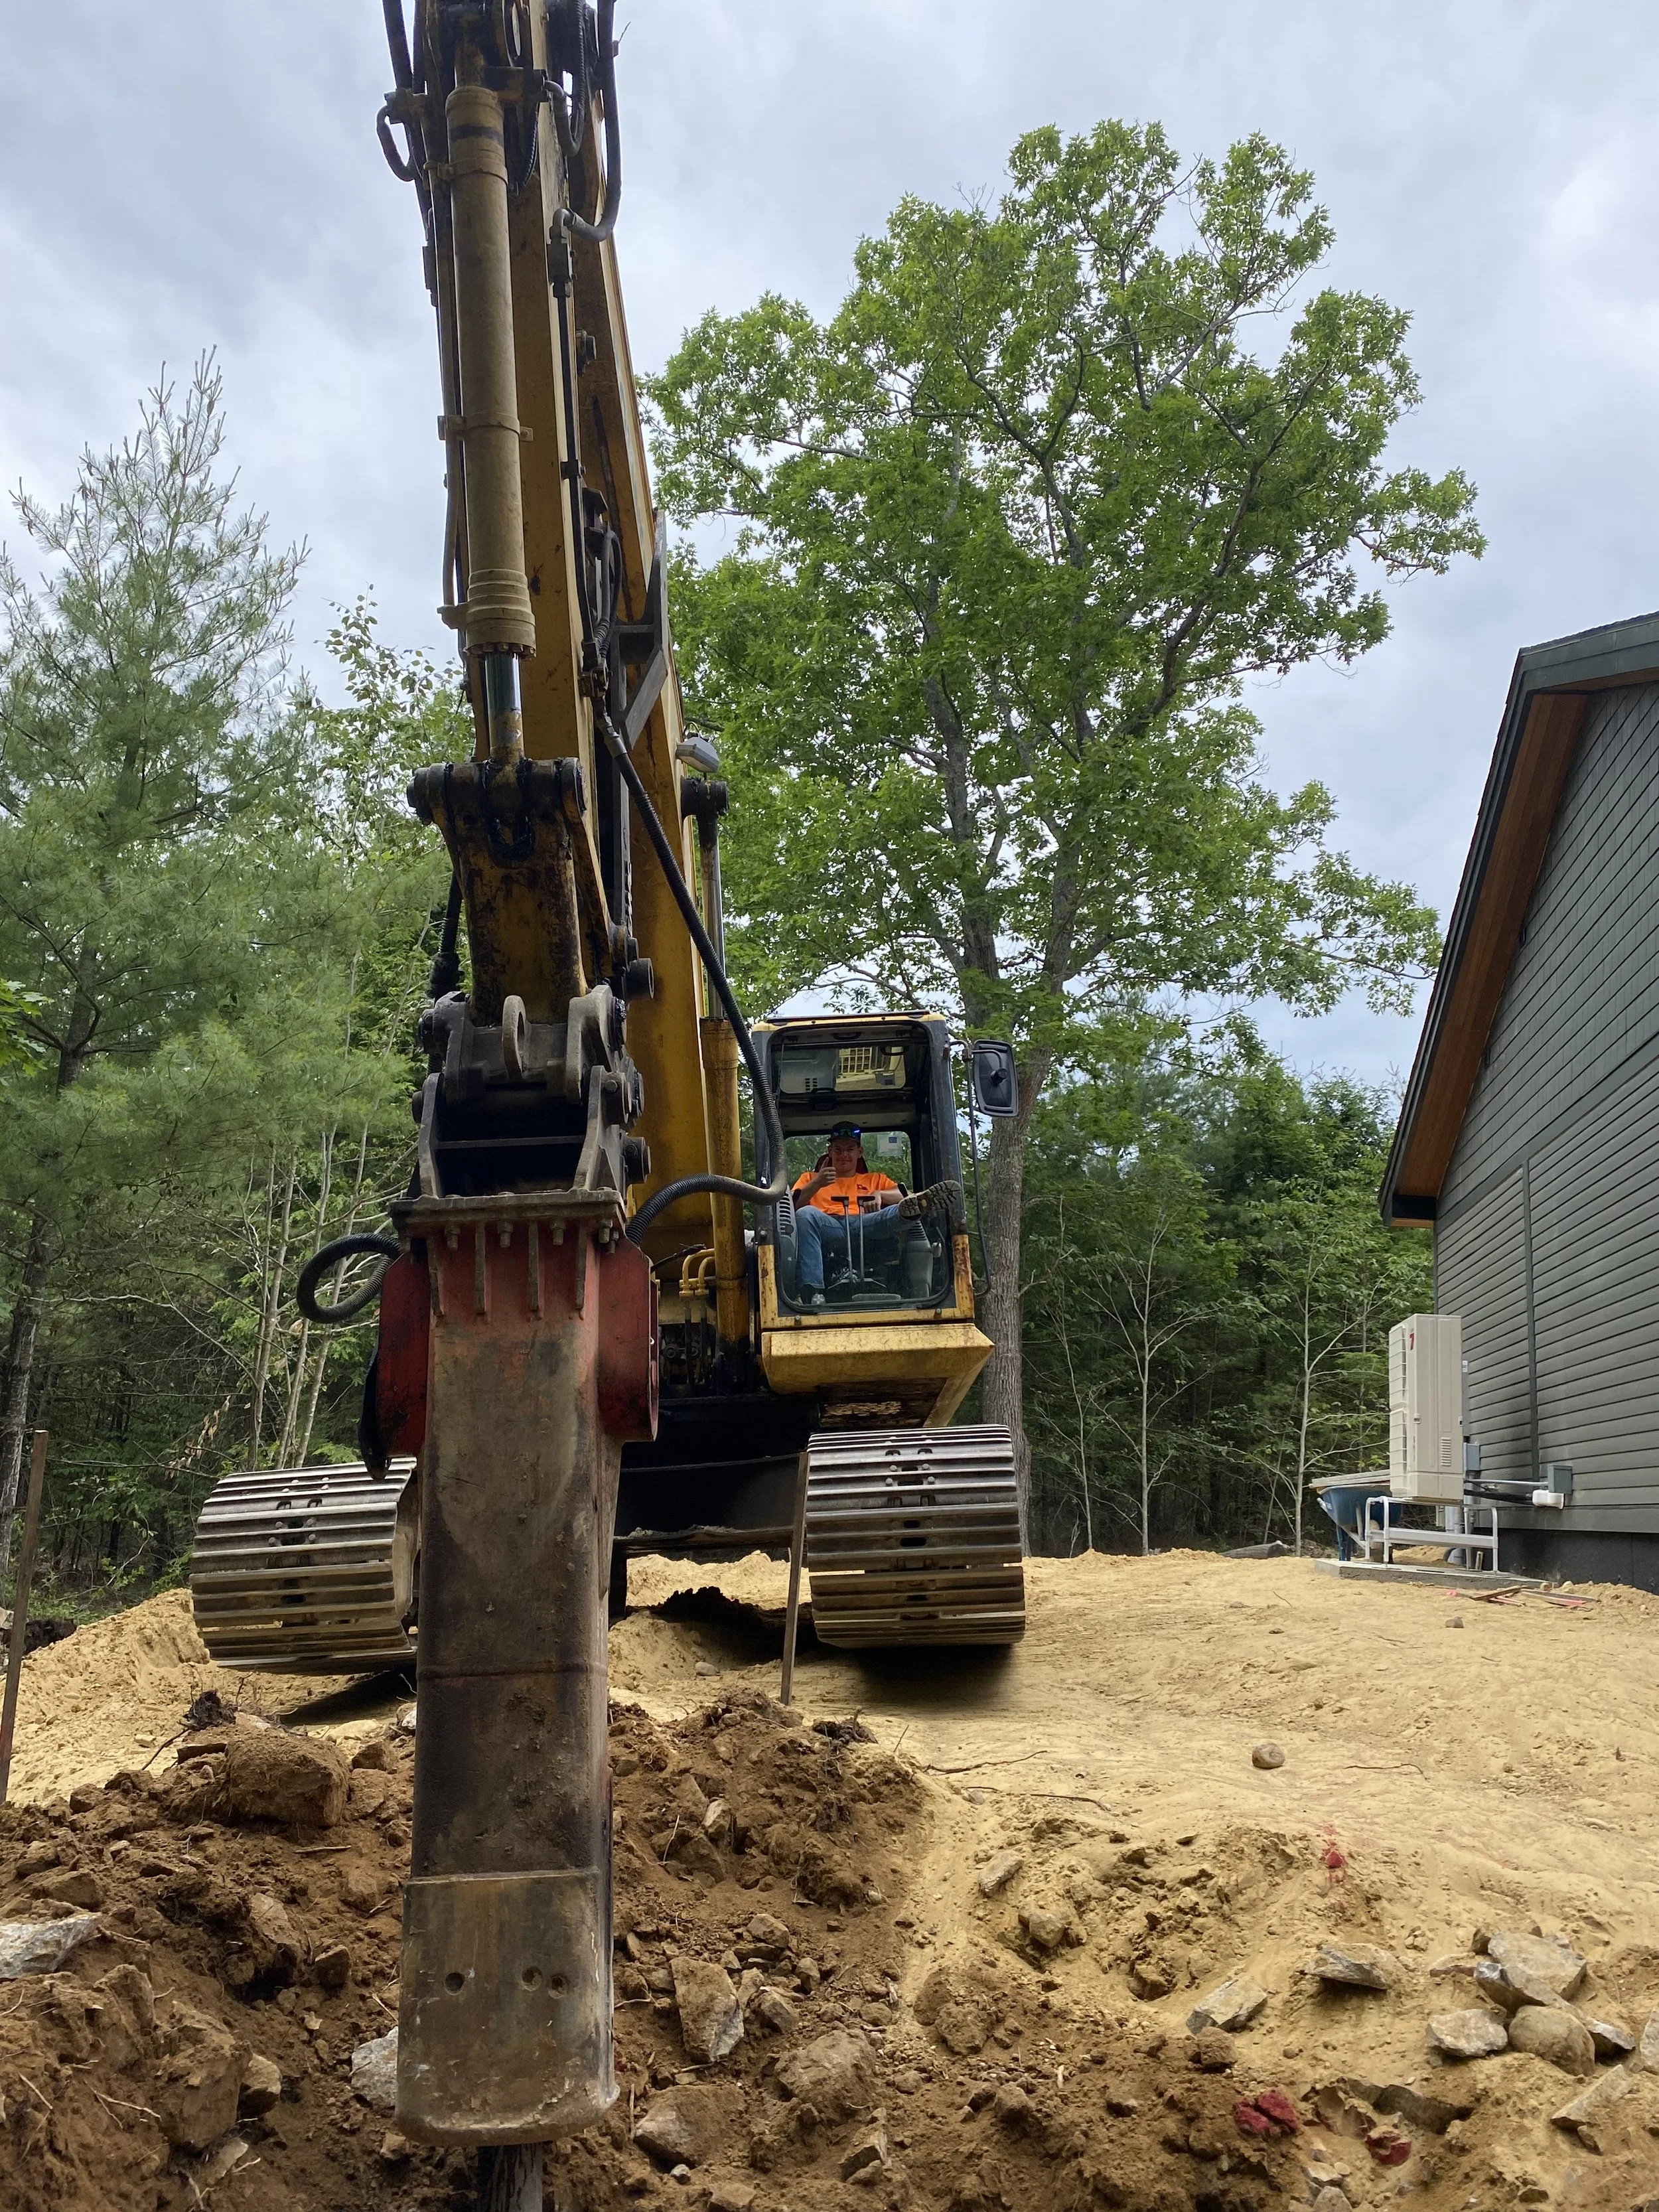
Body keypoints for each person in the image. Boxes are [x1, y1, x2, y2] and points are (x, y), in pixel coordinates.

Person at [789, 1122, 959, 1306]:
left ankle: (916, 1209)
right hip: (828, 1226)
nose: (844, 1155)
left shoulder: (875, 1179)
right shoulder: (810, 1178)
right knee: (805, 1213)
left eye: (849, 1150)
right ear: (830, 1152)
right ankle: (813, 1295)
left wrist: (880, 1194)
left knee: (900, 1208)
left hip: (868, 1223)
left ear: (859, 1152)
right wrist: (817, 1184)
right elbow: (792, 1206)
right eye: (838, 1150)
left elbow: (905, 1195)